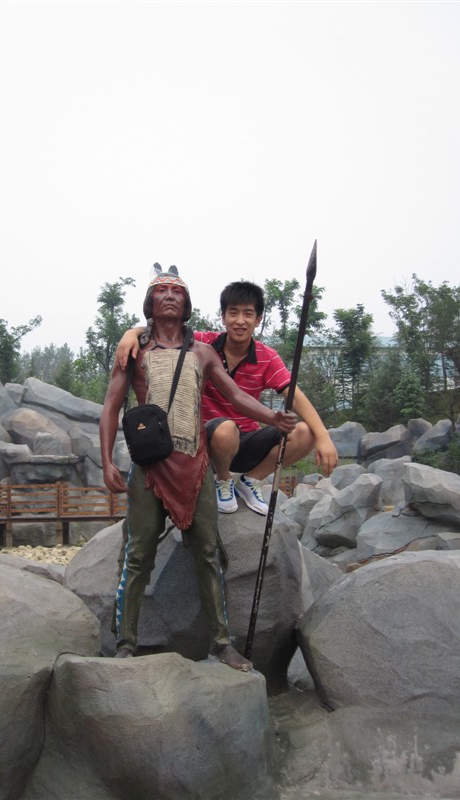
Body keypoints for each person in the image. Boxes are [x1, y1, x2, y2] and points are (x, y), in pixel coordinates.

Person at [100, 267, 296, 671]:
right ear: (149, 303)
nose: (170, 296)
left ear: (187, 304)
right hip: (149, 468)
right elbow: (111, 406)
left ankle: (222, 643)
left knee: (208, 554)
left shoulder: (203, 354)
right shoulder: (134, 351)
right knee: (137, 555)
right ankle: (126, 644)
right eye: (161, 291)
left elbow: (235, 395)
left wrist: (272, 418)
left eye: (177, 291)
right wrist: (105, 461)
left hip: (195, 465)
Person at [117, 280, 338, 516]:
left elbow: (295, 396)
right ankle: (223, 480)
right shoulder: (201, 343)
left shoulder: (267, 357)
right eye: (233, 313)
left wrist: (323, 436)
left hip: (247, 441)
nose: (240, 321)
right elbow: (166, 330)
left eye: (248, 314)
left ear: (258, 319)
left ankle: (251, 480)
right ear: (223, 317)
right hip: (208, 442)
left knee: (306, 432)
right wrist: (133, 333)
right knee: (226, 429)